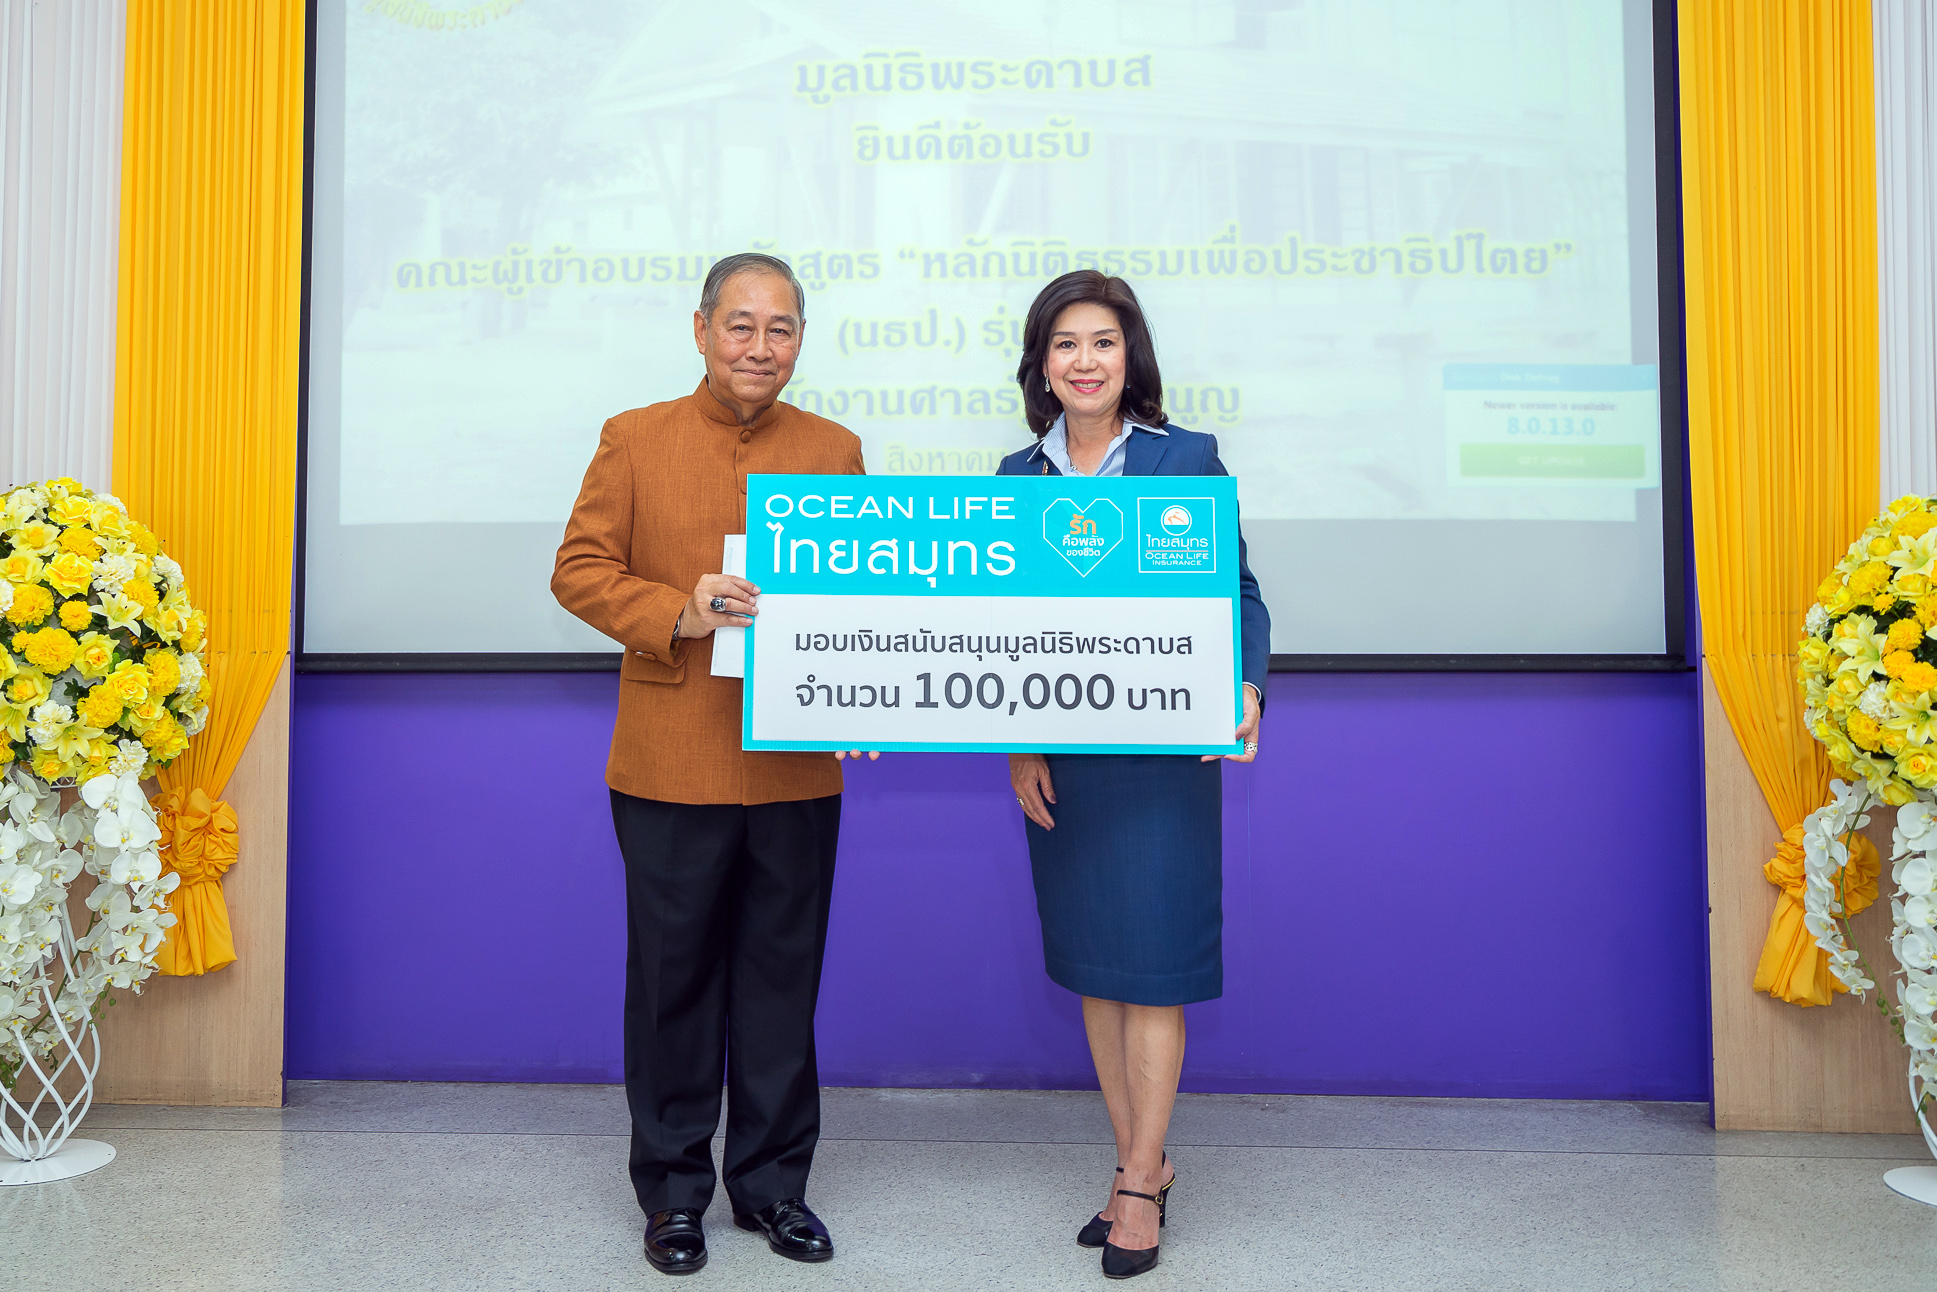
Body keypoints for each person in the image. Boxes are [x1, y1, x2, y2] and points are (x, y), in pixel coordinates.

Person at [552, 252, 873, 1276]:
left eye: (780, 328)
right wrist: (677, 612)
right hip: (668, 762)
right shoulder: (633, 436)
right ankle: (672, 1194)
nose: (759, 346)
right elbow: (578, 570)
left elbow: (860, 598)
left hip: (795, 768)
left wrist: (866, 686)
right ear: (700, 330)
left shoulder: (833, 449)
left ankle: (773, 1189)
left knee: (781, 983)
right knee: (672, 985)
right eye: (741, 325)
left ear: (799, 340)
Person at [997, 271, 1270, 1280]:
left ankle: (1141, 1181)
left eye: (1102, 342)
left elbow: (1237, 591)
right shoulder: (1015, 478)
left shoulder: (1183, 458)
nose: (1084, 360)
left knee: (1151, 966)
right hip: (1064, 766)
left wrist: (1245, 684)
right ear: (1041, 365)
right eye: (1064, 343)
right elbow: (1000, 630)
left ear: (1129, 357)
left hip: (1162, 758)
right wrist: (1018, 743)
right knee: (1096, 967)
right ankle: (1134, 1164)